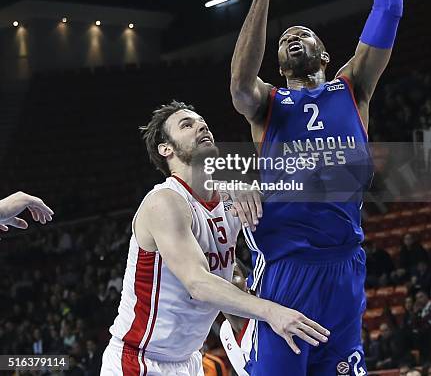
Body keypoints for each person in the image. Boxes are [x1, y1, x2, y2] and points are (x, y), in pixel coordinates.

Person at [230, 0, 403, 375]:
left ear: (326, 55)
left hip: (345, 273)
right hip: (287, 276)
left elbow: (389, 6)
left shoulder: (354, 87)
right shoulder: (267, 109)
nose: (293, 35)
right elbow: (239, 84)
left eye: (303, 34)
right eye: (285, 37)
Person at [100, 101, 329, 376]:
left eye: (202, 122)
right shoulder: (164, 201)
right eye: (187, 125)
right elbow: (199, 283)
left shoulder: (232, 195)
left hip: (189, 360)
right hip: (139, 361)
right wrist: (272, 311)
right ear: (166, 149)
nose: (201, 126)